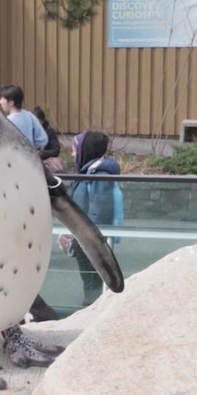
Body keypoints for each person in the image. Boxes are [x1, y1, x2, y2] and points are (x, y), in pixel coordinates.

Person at [58, 131, 124, 306]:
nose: (72, 154)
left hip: (91, 238)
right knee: (90, 279)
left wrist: (85, 237)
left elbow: (99, 212)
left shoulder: (98, 175)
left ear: (85, 150)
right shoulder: (90, 172)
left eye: (74, 149)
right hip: (85, 236)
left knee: (93, 280)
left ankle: (91, 310)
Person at [32, 106, 67, 174]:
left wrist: (42, 153)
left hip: (46, 164)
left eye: (36, 122)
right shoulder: (29, 131)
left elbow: (56, 150)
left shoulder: (49, 132)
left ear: (41, 121)